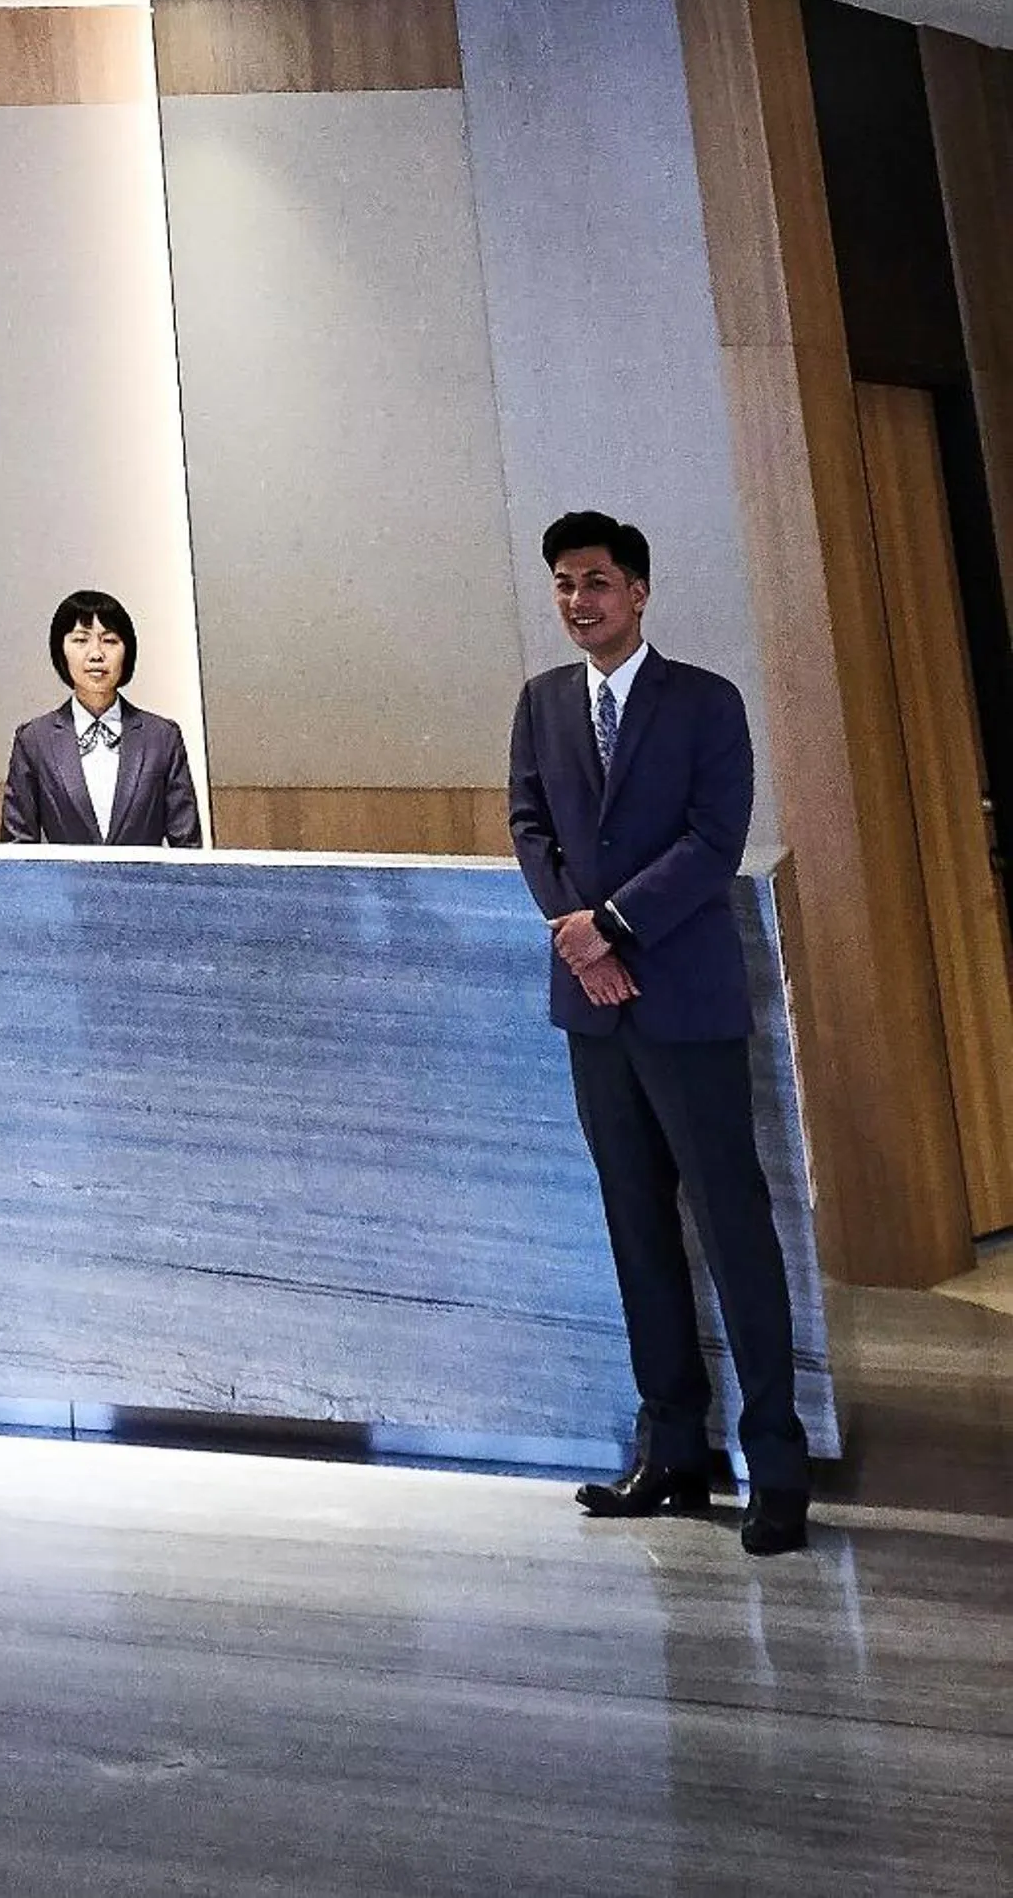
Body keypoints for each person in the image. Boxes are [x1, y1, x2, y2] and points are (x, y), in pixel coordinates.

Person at [508, 510, 811, 1557]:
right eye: (563, 584)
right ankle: (672, 1452)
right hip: (592, 1010)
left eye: (595, 582)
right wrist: (577, 936)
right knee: (637, 1227)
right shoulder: (543, 702)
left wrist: (612, 927)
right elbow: (530, 826)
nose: (577, 601)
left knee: (732, 1228)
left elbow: (713, 840)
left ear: (637, 592)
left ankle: (775, 1467)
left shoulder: (705, 702)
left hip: (684, 1001)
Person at [0, 590, 202, 849]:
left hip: (143, 877)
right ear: (61, 650)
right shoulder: (34, 739)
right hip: (63, 878)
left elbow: (187, 847)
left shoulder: (162, 737)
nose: (96, 654)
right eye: (80, 640)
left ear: (127, 650)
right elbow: (17, 847)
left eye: (109, 640)